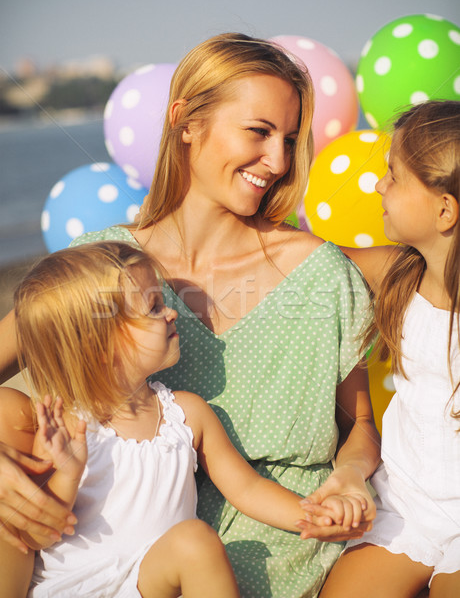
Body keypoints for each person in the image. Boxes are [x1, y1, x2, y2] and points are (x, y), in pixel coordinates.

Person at [0, 33, 381, 598]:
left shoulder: (322, 276)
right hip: (111, 558)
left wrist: (351, 475)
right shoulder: (103, 265)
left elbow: (362, 426)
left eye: (290, 139)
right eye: (258, 131)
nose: (277, 161)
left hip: (279, 551)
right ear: (185, 121)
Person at [8, 239, 331, 598]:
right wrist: (68, 472)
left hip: (152, 582)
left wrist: (313, 516)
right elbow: (36, 533)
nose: (172, 313)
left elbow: (247, 488)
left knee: (195, 543)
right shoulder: (69, 427)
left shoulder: (186, 414)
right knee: (194, 542)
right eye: (154, 308)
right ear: (100, 345)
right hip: (80, 588)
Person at [314, 100, 460, 598]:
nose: (379, 185)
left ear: (445, 209)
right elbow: (310, 260)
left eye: (393, 176)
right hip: (406, 504)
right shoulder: (399, 273)